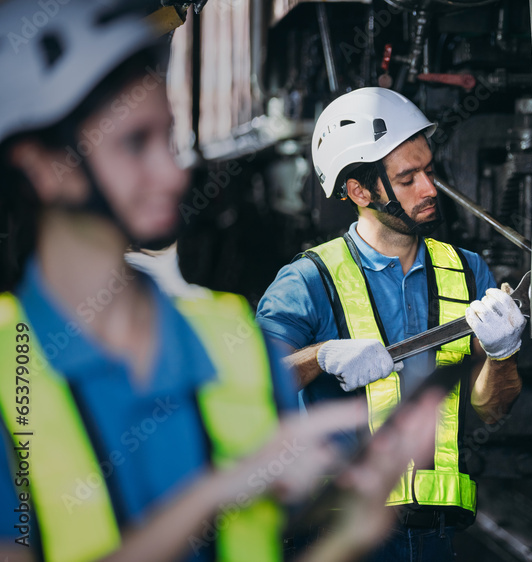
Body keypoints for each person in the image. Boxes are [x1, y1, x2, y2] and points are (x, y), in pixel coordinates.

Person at [0, 3, 440, 561]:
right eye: (134, 143)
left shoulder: (231, 340)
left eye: (167, 138)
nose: (173, 171)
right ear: (43, 167)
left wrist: (351, 532)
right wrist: (222, 489)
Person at [255, 87, 527, 560]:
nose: (429, 189)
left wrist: (502, 356)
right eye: (407, 178)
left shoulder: (467, 271)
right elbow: (250, 389)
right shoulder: (309, 280)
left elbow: (491, 410)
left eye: (429, 171)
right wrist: (320, 356)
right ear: (359, 191)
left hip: (433, 536)